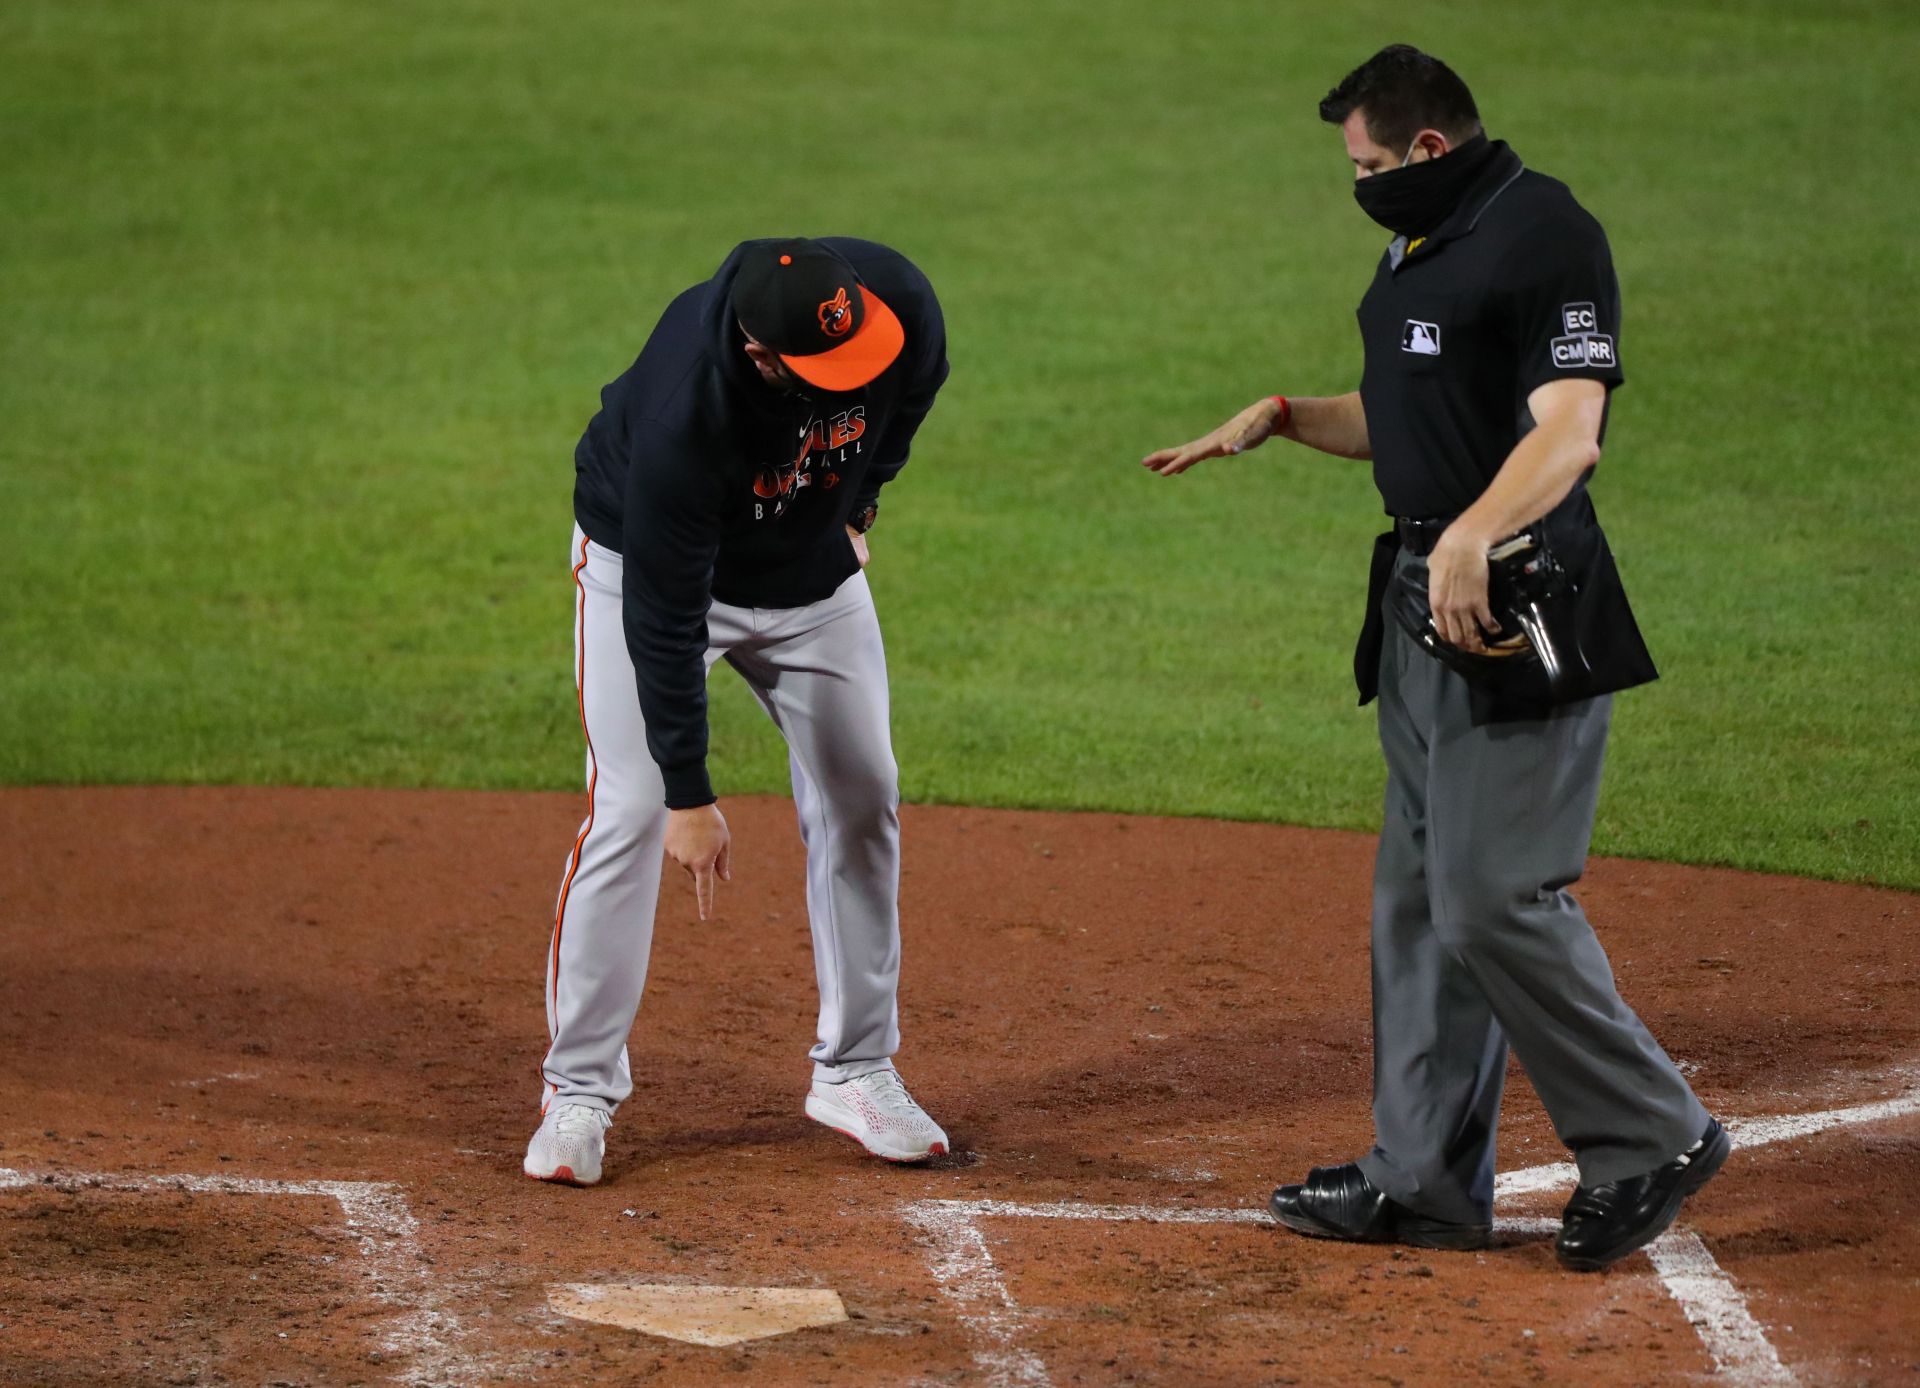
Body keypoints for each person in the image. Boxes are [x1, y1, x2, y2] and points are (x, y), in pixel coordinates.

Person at [1142, 45, 1727, 1271]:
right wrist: (1292, 417)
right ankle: (1423, 1180)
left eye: (1365, 163)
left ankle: (1650, 1134)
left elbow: (1570, 429)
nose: (1355, 183)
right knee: (1414, 899)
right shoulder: (1424, 238)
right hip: (1419, 604)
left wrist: (1474, 529)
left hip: (1515, 605)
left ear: (1426, 148)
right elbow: (1415, 408)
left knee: (1492, 895)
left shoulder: (1544, 234)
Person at [526, 237, 951, 1186]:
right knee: (628, 813)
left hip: (808, 575)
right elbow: (666, 622)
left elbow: (914, 385)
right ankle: (578, 1092)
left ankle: (856, 1069)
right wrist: (688, 794)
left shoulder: (892, 304)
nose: (857, 373)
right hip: (657, 576)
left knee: (863, 794)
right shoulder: (689, 415)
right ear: (762, 356)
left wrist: (862, 502)